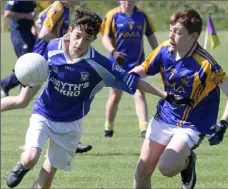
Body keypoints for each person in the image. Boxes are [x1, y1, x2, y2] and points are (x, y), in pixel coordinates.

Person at [6, 8, 191, 189]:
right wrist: (23, 73)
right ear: (70, 31)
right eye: (77, 36)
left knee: (46, 179)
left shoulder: (100, 65)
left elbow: (133, 81)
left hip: (70, 124)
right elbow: (36, 68)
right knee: (30, 157)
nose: (79, 43)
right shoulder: (54, 47)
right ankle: (22, 167)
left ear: (94, 40)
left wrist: (165, 95)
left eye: (87, 39)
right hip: (44, 114)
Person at [132, 9, 228, 189]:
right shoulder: (164, 49)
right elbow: (142, 69)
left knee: (167, 167)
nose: (171, 35)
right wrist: (134, 73)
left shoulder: (206, 64)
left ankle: (188, 162)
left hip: (191, 125)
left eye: (178, 32)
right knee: (142, 172)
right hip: (164, 117)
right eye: (171, 29)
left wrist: (223, 124)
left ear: (193, 36)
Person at [1, 1, 92, 154]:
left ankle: (72, 141)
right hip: (42, 61)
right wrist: (65, 44)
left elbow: (39, 21)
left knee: (65, 96)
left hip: (49, 59)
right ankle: (44, 141)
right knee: (22, 101)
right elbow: (44, 33)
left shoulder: (60, 7)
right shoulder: (58, 7)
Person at [100, 0, 158, 138]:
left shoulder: (142, 16)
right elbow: (105, 38)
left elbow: (151, 36)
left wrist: (158, 53)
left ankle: (144, 128)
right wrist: (113, 52)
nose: (128, 1)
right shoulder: (112, 15)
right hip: (117, 64)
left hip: (137, 64)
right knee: (115, 95)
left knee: (139, 92)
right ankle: (108, 127)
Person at [1, 0, 36, 97]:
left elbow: (31, 14)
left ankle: (6, 84)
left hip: (29, 34)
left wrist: (33, 26)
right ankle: (7, 85)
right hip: (18, 34)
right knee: (26, 64)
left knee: (33, 63)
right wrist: (26, 16)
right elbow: (7, 13)